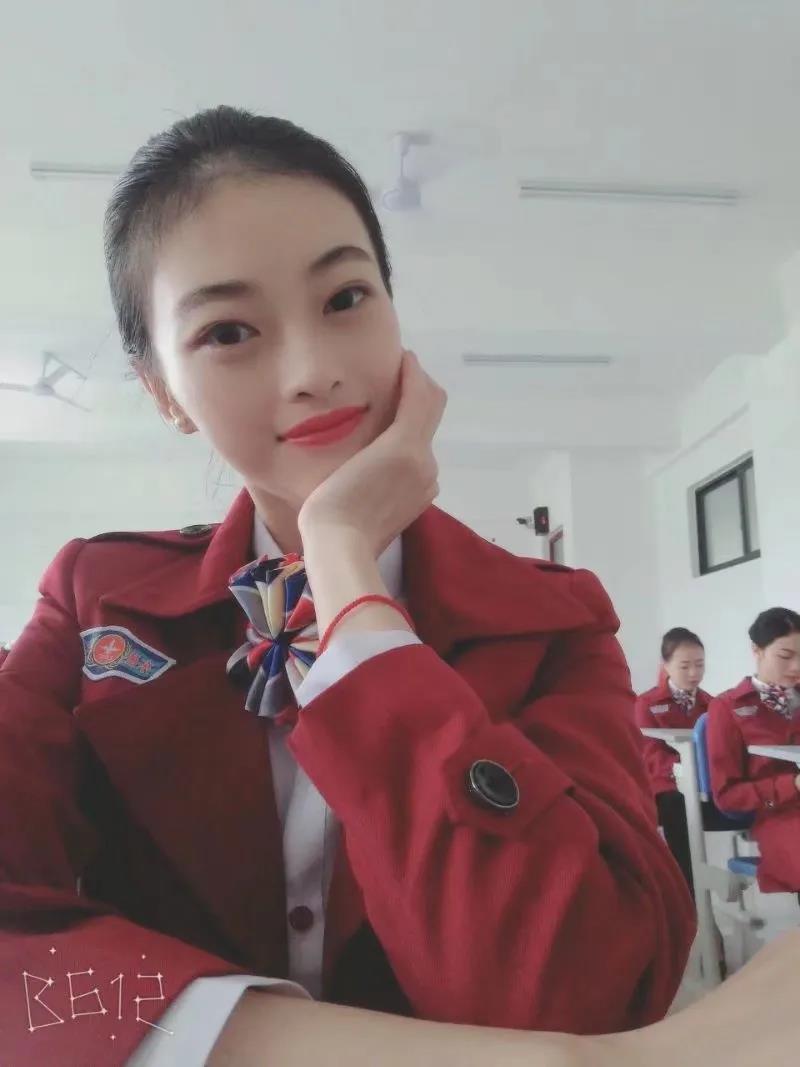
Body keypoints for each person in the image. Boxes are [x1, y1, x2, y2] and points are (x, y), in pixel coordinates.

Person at [0, 106, 694, 1067]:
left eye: (346, 298)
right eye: (229, 330)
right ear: (161, 391)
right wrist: (242, 1035)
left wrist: (349, 583)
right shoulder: (96, 598)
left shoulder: (552, 618)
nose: (315, 371)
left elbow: (584, 988)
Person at [708, 606, 800, 895]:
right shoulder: (727, 708)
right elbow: (728, 796)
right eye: (785, 656)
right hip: (778, 815)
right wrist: (793, 785)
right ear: (757, 651)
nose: (797, 666)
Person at [635, 628, 712, 895]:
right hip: (665, 787)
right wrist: (686, 769)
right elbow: (651, 754)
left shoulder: (712, 705)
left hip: (703, 784)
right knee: (676, 805)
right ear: (666, 666)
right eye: (685, 666)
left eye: (699, 665)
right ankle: (688, 891)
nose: (694, 673)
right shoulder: (646, 704)